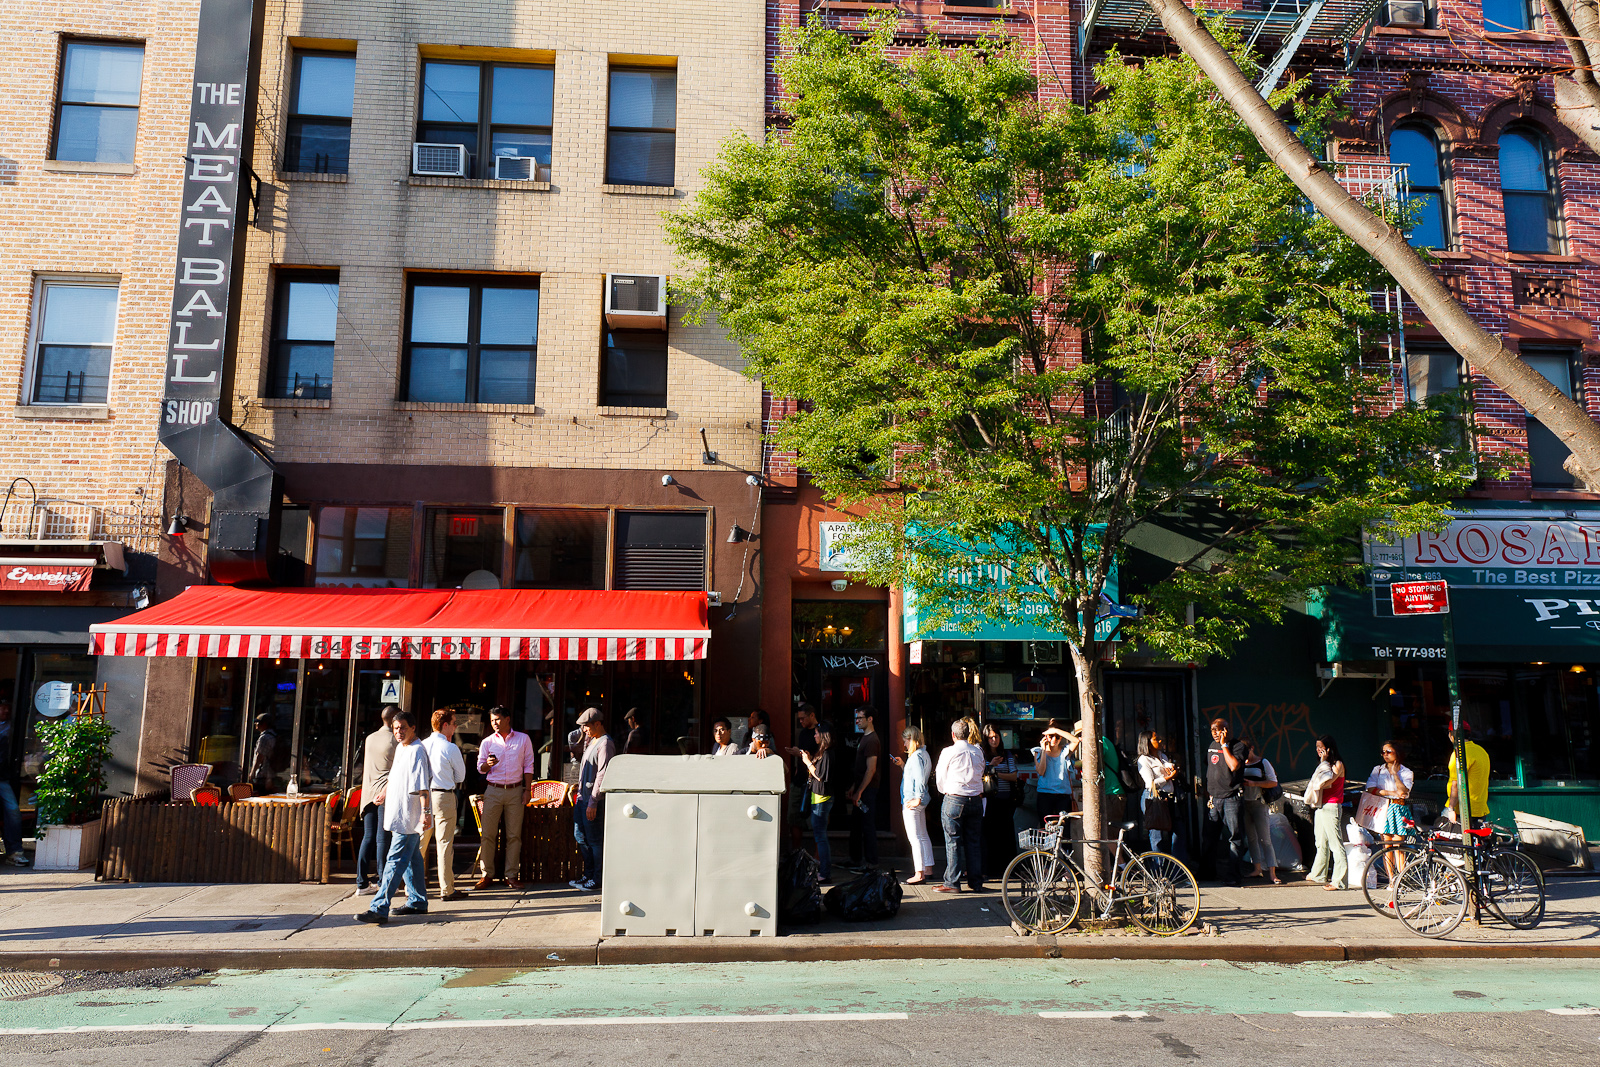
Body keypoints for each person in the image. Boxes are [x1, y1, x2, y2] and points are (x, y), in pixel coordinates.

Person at [357, 709, 433, 924]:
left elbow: (423, 787)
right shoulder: (401, 747)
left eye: (403, 728)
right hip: (398, 812)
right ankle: (418, 902)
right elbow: (394, 775)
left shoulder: (418, 750)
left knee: (394, 860)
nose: (398, 732)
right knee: (412, 860)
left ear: (413, 728)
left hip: (410, 816)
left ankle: (379, 907)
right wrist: (384, 792)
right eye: (396, 728)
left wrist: (425, 813)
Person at [473, 705, 534, 891]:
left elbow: (529, 765)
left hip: (516, 790)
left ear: (508, 719)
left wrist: (527, 789)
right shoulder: (487, 742)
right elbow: (480, 768)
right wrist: (487, 765)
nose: (495, 723)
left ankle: (511, 875)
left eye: (498, 719)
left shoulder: (523, 739)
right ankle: (487, 874)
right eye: (492, 720)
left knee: (514, 835)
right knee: (488, 834)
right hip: (493, 789)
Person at [420, 707, 468, 901]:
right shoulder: (450, 747)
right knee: (445, 844)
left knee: (420, 843)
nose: (456, 727)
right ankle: (446, 889)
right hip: (443, 795)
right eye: (454, 723)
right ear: (445, 725)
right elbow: (461, 776)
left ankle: (411, 888)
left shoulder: (421, 745)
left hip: (422, 796)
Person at [935, 716, 986, 893]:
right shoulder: (978, 751)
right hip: (975, 798)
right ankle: (975, 881)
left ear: (953, 735)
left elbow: (940, 777)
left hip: (955, 797)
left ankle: (952, 882)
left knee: (953, 842)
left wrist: (946, 791)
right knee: (973, 841)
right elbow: (981, 771)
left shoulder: (948, 751)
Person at [570, 708, 615, 892]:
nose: (584, 730)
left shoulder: (605, 743)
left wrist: (593, 801)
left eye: (586, 726)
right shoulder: (592, 740)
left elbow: (603, 774)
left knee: (595, 840)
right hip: (583, 798)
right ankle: (588, 875)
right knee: (580, 836)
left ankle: (597, 879)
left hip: (592, 800)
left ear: (598, 723)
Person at [356, 706, 398, 893]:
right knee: (383, 839)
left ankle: (361, 883)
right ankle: (382, 881)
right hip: (385, 792)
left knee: (368, 837)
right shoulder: (395, 740)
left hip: (368, 793)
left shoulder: (370, 738)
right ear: (394, 719)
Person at [1205, 717, 1250, 888]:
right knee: (1209, 837)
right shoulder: (1211, 747)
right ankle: (1207, 873)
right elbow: (1210, 769)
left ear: (1226, 730)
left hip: (1232, 798)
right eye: (1212, 730)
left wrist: (1224, 746)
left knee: (1234, 838)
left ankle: (1233, 876)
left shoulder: (1238, 746)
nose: (1215, 733)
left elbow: (1233, 766)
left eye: (1218, 729)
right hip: (1214, 799)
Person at [890, 725, 935, 884]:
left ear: (912, 739)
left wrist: (918, 797)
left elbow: (919, 779)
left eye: (905, 741)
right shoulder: (924, 754)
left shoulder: (915, 757)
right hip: (919, 800)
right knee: (922, 835)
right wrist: (903, 765)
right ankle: (927, 868)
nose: (904, 745)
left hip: (912, 800)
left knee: (914, 837)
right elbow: (917, 777)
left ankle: (919, 873)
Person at [1366, 740, 1415, 880]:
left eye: (1389, 752)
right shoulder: (1378, 769)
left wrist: (1395, 775)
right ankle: (1392, 879)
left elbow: (1404, 792)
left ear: (1397, 753)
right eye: (1383, 752)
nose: (1385, 755)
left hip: (1399, 808)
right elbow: (1370, 789)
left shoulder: (1406, 772)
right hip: (1384, 807)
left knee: (1399, 846)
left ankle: (1402, 879)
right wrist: (1392, 793)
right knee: (1387, 846)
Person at [1305, 734, 1349, 891]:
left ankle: (1339, 881)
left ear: (1329, 749)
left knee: (1335, 844)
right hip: (1321, 806)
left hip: (1332, 806)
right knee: (1320, 842)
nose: (1319, 751)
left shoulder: (1337, 764)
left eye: (1321, 748)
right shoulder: (1324, 765)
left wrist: (1323, 763)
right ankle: (1318, 874)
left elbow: (1325, 781)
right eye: (1317, 748)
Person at [981, 722, 1021, 879]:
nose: (993, 740)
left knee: (1006, 835)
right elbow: (980, 773)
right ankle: (990, 870)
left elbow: (1014, 775)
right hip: (989, 800)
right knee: (990, 835)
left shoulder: (1007, 754)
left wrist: (996, 773)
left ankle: (1008, 869)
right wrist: (991, 766)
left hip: (1006, 800)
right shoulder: (982, 755)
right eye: (990, 737)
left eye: (996, 736)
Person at [796, 720, 835, 882]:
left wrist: (807, 762)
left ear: (824, 735)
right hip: (818, 797)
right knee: (819, 835)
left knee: (820, 836)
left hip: (822, 799)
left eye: (817, 733)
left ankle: (825, 873)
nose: (814, 735)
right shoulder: (822, 751)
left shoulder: (827, 753)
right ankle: (824, 870)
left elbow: (820, 775)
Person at [1240, 739, 1279, 885]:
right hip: (1245, 803)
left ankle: (1272, 873)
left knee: (1265, 839)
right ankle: (1257, 868)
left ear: (1252, 748)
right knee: (1251, 839)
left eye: (1246, 752)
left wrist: (1253, 783)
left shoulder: (1263, 762)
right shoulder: (1240, 763)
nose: (1244, 755)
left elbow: (1273, 782)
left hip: (1259, 803)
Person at [846, 708, 881, 868]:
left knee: (867, 825)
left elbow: (871, 769)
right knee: (856, 825)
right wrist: (855, 787)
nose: (857, 721)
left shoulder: (872, 740)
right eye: (857, 718)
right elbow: (861, 769)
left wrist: (860, 791)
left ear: (870, 719)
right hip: (861, 789)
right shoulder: (864, 738)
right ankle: (856, 859)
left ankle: (871, 862)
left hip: (868, 791)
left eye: (860, 718)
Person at [1136, 730, 1178, 854]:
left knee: (1175, 830)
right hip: (1154, 796)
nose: (1160, 741)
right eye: (1156, 739)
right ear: (1148, 743)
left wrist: (1171, 769)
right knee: (1156, 835)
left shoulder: (1162, 756)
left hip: (1168, 796)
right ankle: (1158, 868)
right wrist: (1168, 777)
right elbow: (1150, 783)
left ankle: (1174, 864)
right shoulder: (1144, 760)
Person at [1443, 723, 1491, 830]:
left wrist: (1451, 809)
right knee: (1477, 843)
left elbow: (1456, 784)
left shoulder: (1458, 754)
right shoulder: (1481, 751)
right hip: (1480, 807)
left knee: (1443, 840)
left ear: (1452, 735)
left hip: (1462, 809)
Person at [1032, 724, 1076, 827]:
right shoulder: (1038, 751)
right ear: (1046, 737)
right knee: (1046, 829)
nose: (1054, 739)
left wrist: (1056, 730)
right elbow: (1041, 771)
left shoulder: (1065, 751)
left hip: (1063, 796)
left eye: (1057, 737)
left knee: (1064, 830)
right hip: (1045, 795)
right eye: (1051, 736)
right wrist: (1044, 750)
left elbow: (1076, 741)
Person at [0, 698, 27, 866]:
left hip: (1, 777)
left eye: (7, 708)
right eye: (2, 708)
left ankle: (14, 851)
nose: (6, 711)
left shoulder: (13, 727)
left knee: (13, 811)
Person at [247, 713, 278, 794]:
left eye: (258, 722)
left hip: (263, 775)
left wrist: (252, 773)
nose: (255, 724)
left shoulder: (264, 738)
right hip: (272, 774)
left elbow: (259, 756)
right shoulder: (274, 736)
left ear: (264, 724)